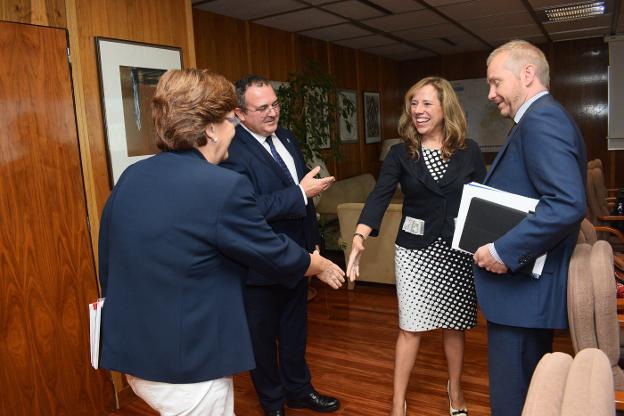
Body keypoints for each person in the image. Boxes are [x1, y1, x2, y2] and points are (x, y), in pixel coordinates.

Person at [98, 69, 345, 416]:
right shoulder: (218, 186)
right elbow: (270, 251)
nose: (235, 129)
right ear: (211, 129)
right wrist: (316, 263)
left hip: (134, 355)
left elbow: (108, 261)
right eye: (231, 119)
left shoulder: (132, 175)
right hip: (189, 363)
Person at [346, 76, 486, 416]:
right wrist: (358, 236)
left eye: (426, 103)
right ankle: (398, 400)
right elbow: (379, 196)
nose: (418, 110)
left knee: (454, 326)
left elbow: (482, 199)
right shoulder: (400, 153)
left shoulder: (469, 150)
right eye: (413, 103)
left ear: (444, 108)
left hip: (456, 250)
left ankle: (454, 387)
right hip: (414, 252)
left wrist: (490, 244)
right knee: (410, 328)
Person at [473, 39, 586, 416]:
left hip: (522, 293)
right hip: (524, 296)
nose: (491, 94)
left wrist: (504, 251)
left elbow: (566, 204)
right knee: (533, 398)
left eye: (495, 83)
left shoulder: (541, 120)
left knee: (515, 401)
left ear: (526, 74)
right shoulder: (538, 119)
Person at [219, 75, 339, 416]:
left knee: (295, 333)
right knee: (261, 341)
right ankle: (272, 404)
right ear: (240, 113)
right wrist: (301, 193)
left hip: (298, 259)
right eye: (262, 108)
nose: (272, 113)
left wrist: (313, 247)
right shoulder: (231, 150)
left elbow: (303, 199)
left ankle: (299, 390)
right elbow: (248, 209)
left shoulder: (285, 136)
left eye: (275, 105)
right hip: (258, 264)